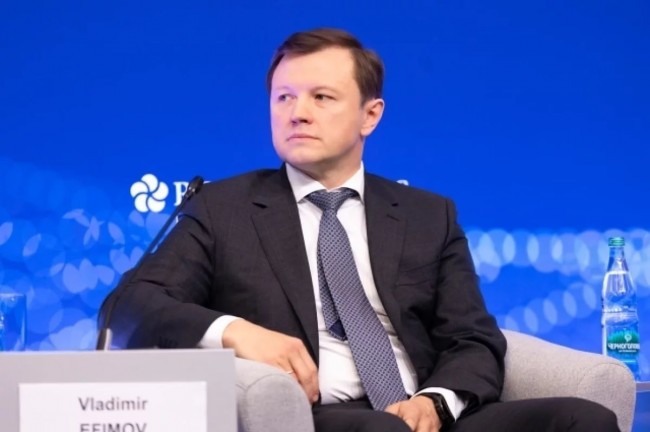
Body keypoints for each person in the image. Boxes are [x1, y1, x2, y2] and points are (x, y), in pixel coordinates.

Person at [104, 28, 620, 432]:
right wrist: (236, 332)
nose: (298, 113)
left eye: (321, 97)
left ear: (370, 116)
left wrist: (436, 402)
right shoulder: (225, 208)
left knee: (584, 419)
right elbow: (128, 307)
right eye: (284, 98)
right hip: (319, 417)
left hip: (424, 411)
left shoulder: (426, 214)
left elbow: (473, 338)